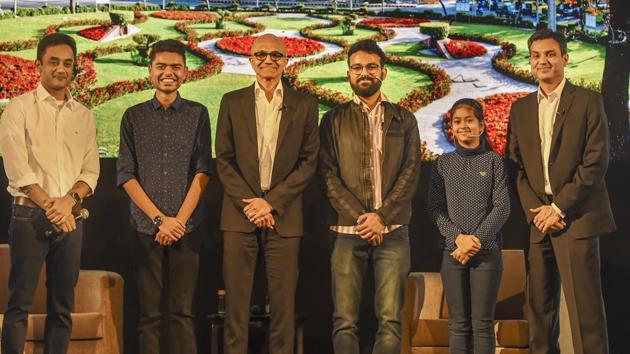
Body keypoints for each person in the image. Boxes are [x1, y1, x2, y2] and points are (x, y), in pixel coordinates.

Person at [506, 28, 616, 354]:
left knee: (585, 315)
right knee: (539, 311)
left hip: (577, 219)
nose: (543, 61)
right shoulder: (521, 109)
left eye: (550, 54)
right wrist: (538, 212)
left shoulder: (588, 102)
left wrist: (559, 208)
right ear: (530, 62)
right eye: (536, 55)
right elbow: (516, 166)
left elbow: (595, 162)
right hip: (539, 222)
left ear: (565, 58)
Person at [215, 33, 319, 354]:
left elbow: (308, 161)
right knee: (235, 309)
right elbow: (224, 160)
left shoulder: (305, 104)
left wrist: (270, 203)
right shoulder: (231, 102)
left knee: (283, 310)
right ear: (251, 60)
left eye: (276, 55)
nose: (268, 60)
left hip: (283, 218)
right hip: (240, 215)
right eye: (261, 54)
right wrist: (253, 205)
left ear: (286, 61)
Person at [0, 32, 100, 354]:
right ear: (39, 64)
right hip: (29, 214)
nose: (61, 69)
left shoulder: (83, 115)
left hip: (70, 220)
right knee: (19, 304)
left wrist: (67, 203)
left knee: (62, 306)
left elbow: (91, 172)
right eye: (54, 62)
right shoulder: (19, 108)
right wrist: (51, 205)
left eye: (67, 64)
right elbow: (17, 167)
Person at [319, 39, 421, 354]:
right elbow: (328, 176)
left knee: (390, 321)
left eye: (371, 67)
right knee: (344, 321)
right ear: (349, 73)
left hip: (392, 231)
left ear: (383, 72)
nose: (365, 72)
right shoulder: (333, 120)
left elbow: (411, 173)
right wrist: (363, 218)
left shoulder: (404, 119)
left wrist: (381, 217)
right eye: (358, 67)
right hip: (347, 232)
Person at [116, 39, 213, 354]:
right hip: (146, 229)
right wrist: (160, 220)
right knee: (150, 315)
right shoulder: (133, 116)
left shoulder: (198, 114)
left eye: (175, 67)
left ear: (185, 73)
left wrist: (178, 222)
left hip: (188, 229)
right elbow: (126, 175)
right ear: (150, 71)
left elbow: (202, 172)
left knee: (183, 313)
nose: (168, 73)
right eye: (161, 66)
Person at [427, 98, 510, 354]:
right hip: (453, 254)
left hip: (486, 254)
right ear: (452, 127)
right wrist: (458, 239)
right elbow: (435, 209)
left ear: (481, 126)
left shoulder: (494, 161)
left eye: (469, 120)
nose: (463, 126)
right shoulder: (442, 164)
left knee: (482, 325)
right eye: (457, 121)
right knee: (458, 325)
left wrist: (474, 242)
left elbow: (502, 207)